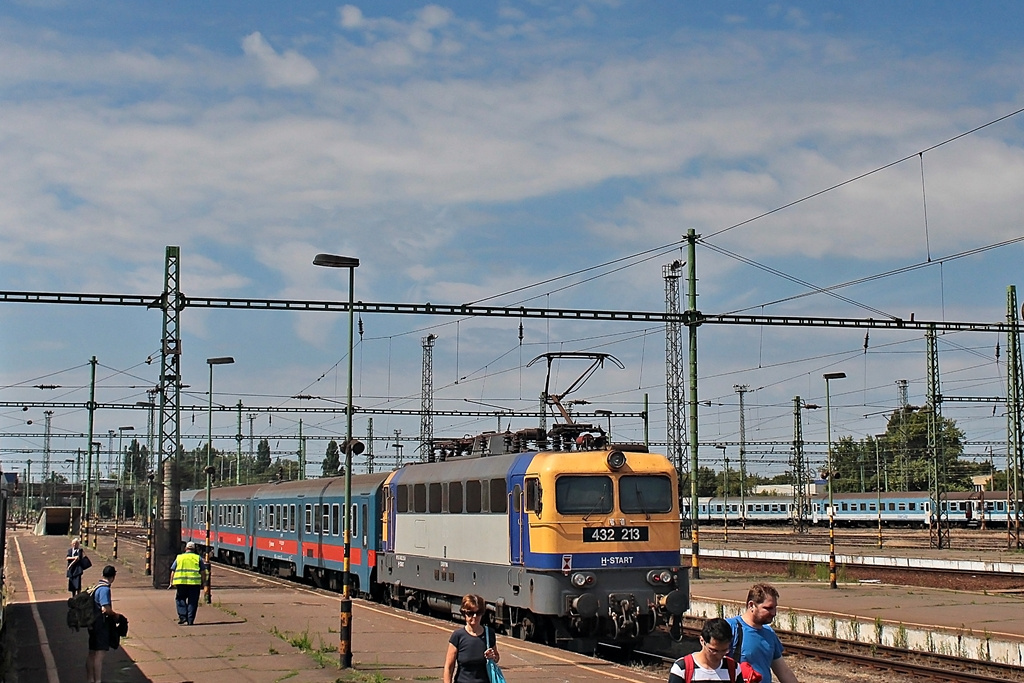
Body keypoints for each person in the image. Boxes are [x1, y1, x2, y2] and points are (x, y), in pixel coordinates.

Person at [727, 583, 798, 683]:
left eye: (774, 607)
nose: (774, 613)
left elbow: (783, 672)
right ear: (751, 605)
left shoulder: (769, 633)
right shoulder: (730, 628)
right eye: (768, 608)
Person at [443, 594, 499, 683]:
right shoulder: (458, 636)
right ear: (464, 613)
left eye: (478, 613)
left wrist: (492, 656)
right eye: (470, 613)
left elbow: (496, 658)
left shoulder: (489, 634)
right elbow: (449, 667)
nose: (475, 616)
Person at [668, 618, 739, 682]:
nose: (719, 656)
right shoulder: (682, 669)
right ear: (702, 641)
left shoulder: (734, 669)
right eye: (714, 650)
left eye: (724, 650)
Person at [86, 565, 120, 683]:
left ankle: (90, 679)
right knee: (99, 654)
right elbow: (105, 608)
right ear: (113, 577)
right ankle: (98, 680)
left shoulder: (96, 587)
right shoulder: (105, 589)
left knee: (92, 653)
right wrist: (115, 615)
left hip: (92, 624)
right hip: (101, 624)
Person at [169, 540, 208, 625]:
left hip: (181, 582)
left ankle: (183, 616)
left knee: (180, 599)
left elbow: (173, 570)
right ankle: (190, 620)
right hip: (194, 583)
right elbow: (203, 572)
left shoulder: (179, 557)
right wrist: (204, 583)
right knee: (193, 601)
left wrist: (171, 582)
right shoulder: (198, 558)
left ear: (186, 548)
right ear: (194, 549)